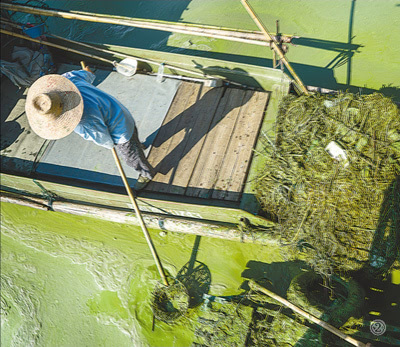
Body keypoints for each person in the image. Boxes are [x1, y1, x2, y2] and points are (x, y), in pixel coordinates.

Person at [25, 65, 154, 189]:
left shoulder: (82, 119)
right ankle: (137, 145)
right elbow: (88, 74)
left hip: (121, 130)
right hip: (120, 110)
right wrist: (86, 71)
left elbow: (104, 139)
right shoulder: (68, 80)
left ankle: (146, 173)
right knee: (133, 139)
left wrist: (110, 145)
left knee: (132, 157)